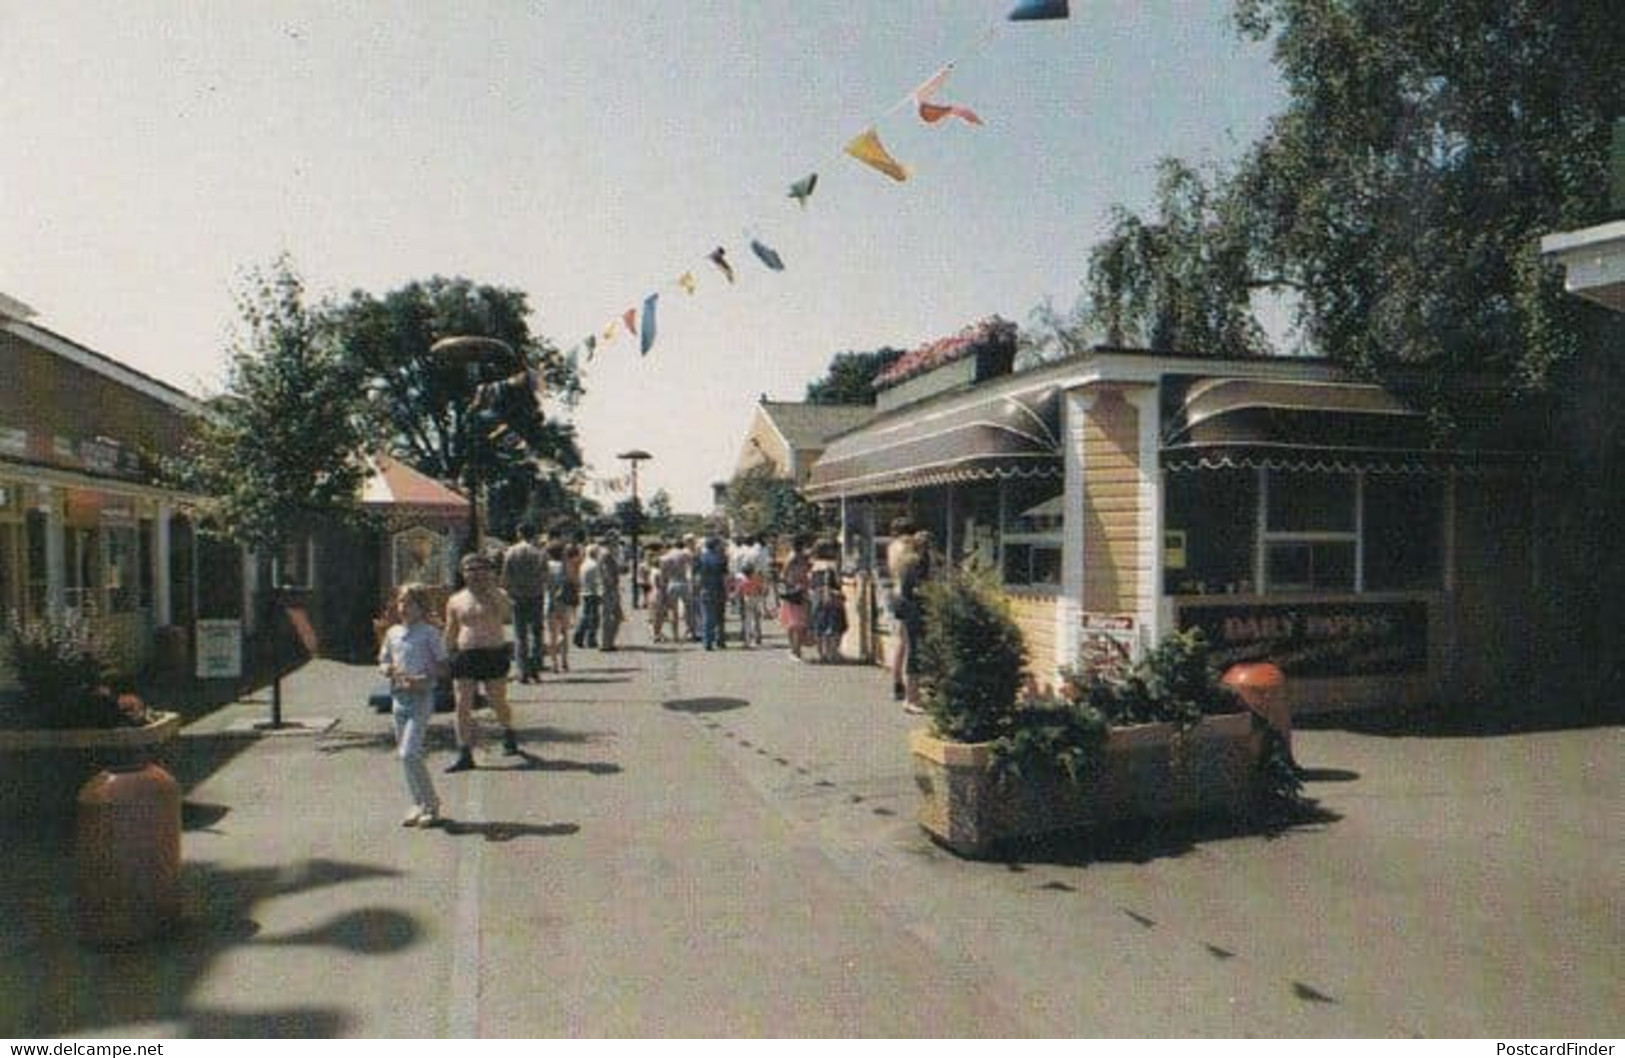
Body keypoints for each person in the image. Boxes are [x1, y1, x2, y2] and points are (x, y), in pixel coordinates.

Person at [378, 582, 448, 826]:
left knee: (410, 753)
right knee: (404, 755)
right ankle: (418, 803)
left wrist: (424, 679)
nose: (403, 607)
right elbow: (384, 660)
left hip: (421, 699)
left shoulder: (429, 633)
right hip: (399, 699)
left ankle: (432, 804)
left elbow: (441, 666)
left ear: (422, 606)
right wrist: (388, 669)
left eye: (409, 603)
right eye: (401, 602)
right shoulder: (393, 632)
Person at [443, 552, 520, 772]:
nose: (475, 574)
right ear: (463, 573)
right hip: (466, 655)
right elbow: (451, 630)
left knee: (498, 702)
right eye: (470, 570)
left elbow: (507, 614)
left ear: (489, 572)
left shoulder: (498, 595)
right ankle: (464, 752)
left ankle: (508, 730)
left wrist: (492, 589)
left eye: (480, 569)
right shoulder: (456, 599)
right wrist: (445, 655)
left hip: (493, 653)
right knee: (462, 705)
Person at [502, 523, 548, 684]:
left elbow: (506, 576)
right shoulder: (539, 552)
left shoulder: (511, 551)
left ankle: (522, 671)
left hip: (517, 596)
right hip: (536, 595)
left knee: (520, 635)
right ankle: (535, 669)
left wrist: (509, 591)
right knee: (536, 633)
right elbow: (545, 575)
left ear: (520, 533)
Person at [886, 518, 921, 706]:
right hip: (907, 596)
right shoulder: (907, 547)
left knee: (900, 642)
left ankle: (897, 683)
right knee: (911, 646)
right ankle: (910, 693)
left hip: (895, 593)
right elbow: (910, 571)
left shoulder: (892, 547)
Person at [809, 538, 847, 663]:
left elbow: (811, 582)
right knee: (836, 626)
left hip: (816, 597)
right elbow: (836, 581)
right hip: (832, 595)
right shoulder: (832, 565)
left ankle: (822, 654)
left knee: (820, 626)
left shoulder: (814, 565)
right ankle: (833, 652)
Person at [777, 534, 813, 661]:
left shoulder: (800, 558)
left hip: (799, 593)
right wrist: (795, 583)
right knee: (795, 623)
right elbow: (784, 576)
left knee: (797, 623)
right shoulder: (793, 558)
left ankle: (796, 650)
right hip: (794, 594)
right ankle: (794, 650)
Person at [695, 534, 730, 650]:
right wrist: (728, 591)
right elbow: (725, 577)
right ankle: (720, 640)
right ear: (716, 545)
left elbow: (696, 577)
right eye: (720, 544)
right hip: (719, 589)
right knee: (720, 617)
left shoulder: (700, 557)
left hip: (705, 589)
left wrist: (698, 588)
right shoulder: (722, 558)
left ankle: (707, 643)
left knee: (707, 617)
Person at [542, 541, 572, 672]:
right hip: (563, 602)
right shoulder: (563, 567)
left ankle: (554, 663)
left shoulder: (546, 567)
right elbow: (569, 582)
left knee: (551, 634)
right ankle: (564, 661)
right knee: (564, 632)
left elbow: (544, 584)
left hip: (549, 601)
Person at [574, 544, 603, 649]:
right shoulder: (595, 565)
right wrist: (601, 593)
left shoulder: (584, 564)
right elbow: (598, 581)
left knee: (585, 616)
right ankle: (590, 640)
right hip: (593, 593)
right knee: (593, 618)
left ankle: (579, 637)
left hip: (585, 592)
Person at [597, 537, 623, 651]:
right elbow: (606, 572)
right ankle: (606, 643)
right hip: (609, 590)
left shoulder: (602, 554)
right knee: (609, 617)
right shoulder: (606, 554)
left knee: (615, 616)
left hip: (608, 589)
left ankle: (609, 641)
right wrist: (613, 587)